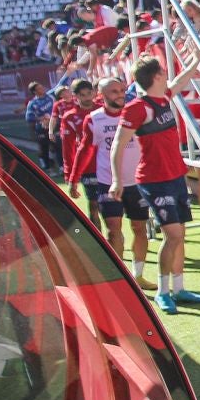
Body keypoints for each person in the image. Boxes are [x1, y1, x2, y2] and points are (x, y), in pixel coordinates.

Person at [112, 49, 200, 317]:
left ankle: (179, 289)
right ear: (156, 76)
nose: (168, 75)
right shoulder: (137, 108)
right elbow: (118, 145)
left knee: (181, 235)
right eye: (164, 71)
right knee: (173, 235)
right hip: (154, 180)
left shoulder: (164, 97)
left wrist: (198, 54)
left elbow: (183, 78)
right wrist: (117, 179)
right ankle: (162, 292)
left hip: (175, 175)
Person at [74, 77, 153, 291]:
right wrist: (73, 178)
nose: (119, 94)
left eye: (121, 90)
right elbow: (84, 149)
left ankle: (138, 275)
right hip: (108, 183)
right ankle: (121, 279)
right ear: (102, 95)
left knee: (139, 228)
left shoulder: (136, 114)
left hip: (136, 182)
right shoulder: (93, 119)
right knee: (114, 230)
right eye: (113, 92)